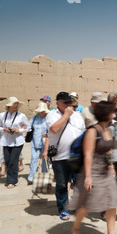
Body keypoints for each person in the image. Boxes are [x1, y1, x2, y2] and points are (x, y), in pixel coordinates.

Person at [69, 101, 117, 234]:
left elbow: (108, 148)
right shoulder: (92, 131)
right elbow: (88, 154)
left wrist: (111, 165)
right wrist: (88, 177)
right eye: (112, 111)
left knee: (112, 202)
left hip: (105, 171)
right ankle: (75, 228)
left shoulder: (108, 129)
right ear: (106, 114)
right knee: (88, 204)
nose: (115, 114)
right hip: (92, 171)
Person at [46, 92, 85, 221]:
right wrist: (66, 115)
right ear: (58, 103)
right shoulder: (52, 115)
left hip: (77, 157)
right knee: (62, 185)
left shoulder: (78, 116)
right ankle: (63, 209)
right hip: (60, 157)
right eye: (65, 102)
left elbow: (83, 133)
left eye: (70, 102)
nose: (69, 105)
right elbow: (54, 129)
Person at [0, 97, 30, 189]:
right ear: (9, 106)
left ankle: (11, 181)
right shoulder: (2, 115)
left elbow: (28, 127)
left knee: (13, 160)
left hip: (18, 141)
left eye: (17, 103)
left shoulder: (21, 116)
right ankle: (13, 174)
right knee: (8, 160)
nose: (16, 105)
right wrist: (4, 129)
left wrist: (19, 130)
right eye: (14, 103)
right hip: (6, 141)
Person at [26, 102, 50, 185]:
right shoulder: (35, 118)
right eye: (40, 111)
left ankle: (43, 176)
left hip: (45, 143)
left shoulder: (49, 118)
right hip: (35, 142)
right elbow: (27, 126)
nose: (41, 112)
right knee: (34, 159)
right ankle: (31, 177)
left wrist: (47, 133)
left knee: (45, 160)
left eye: (43, 111)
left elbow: (53, 129)